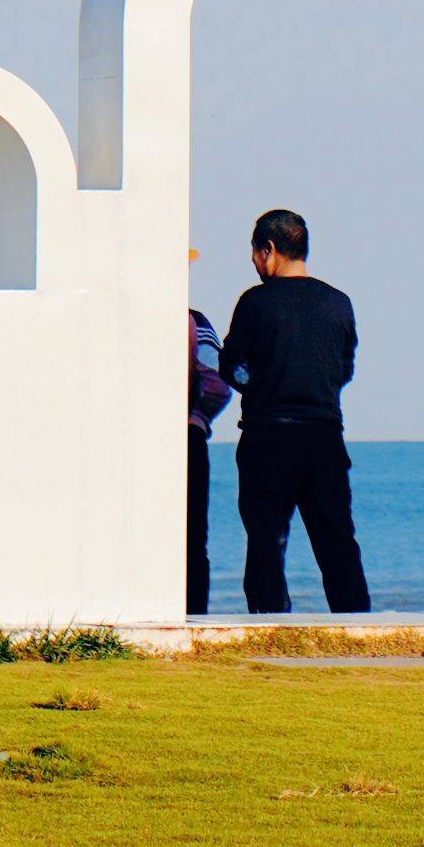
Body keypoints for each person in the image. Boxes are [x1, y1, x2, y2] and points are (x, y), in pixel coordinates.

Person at [219, 208, 370, 616]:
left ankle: (270, 624)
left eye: (254, 253)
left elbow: (230, 365)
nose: (253, 263)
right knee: (337, 539)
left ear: (268, 250)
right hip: (324, 434)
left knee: (267, 541)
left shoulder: (255, 303)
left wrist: (263, 384)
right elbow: (345, 368)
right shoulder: (339, 303)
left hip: (268, 434)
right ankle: (354, 622)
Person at [186, 261, 233, 616]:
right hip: (188, 438)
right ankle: (193, 614)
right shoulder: (195, 321)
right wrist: (197, 416)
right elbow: (217, 383)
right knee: (192, 538)